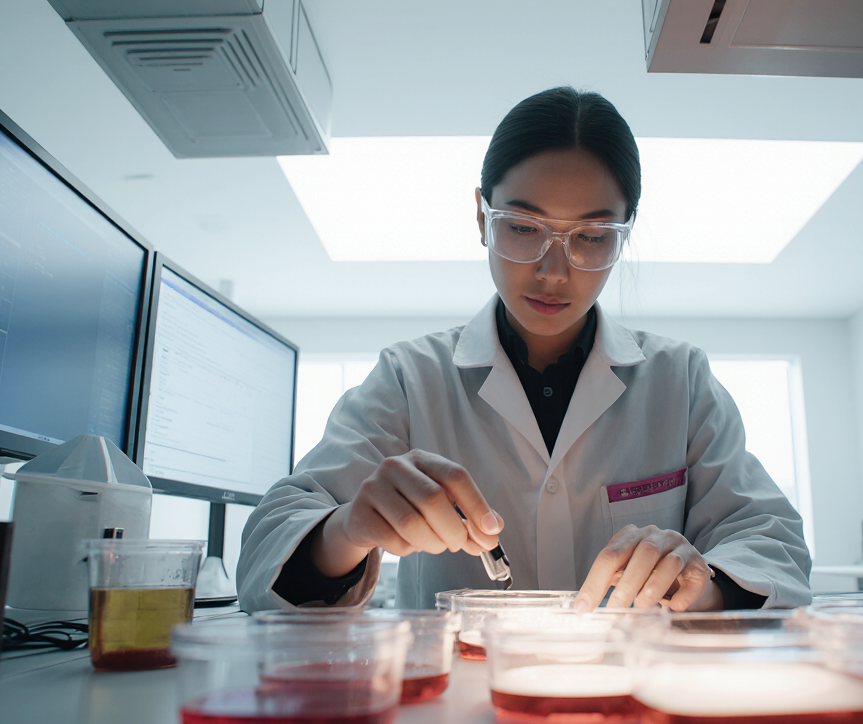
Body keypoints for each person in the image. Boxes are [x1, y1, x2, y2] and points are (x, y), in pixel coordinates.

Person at [238, 87, 811, 613]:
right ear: (481, 218)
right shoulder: (410, 380)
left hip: (634, 699)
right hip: (461, 711)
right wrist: (347, 530)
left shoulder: (680, 381)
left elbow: (772, 544)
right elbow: (265, 553)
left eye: (590, 238)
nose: (553, 271)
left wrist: (701, 584)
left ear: (622, 238)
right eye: (522, 227)